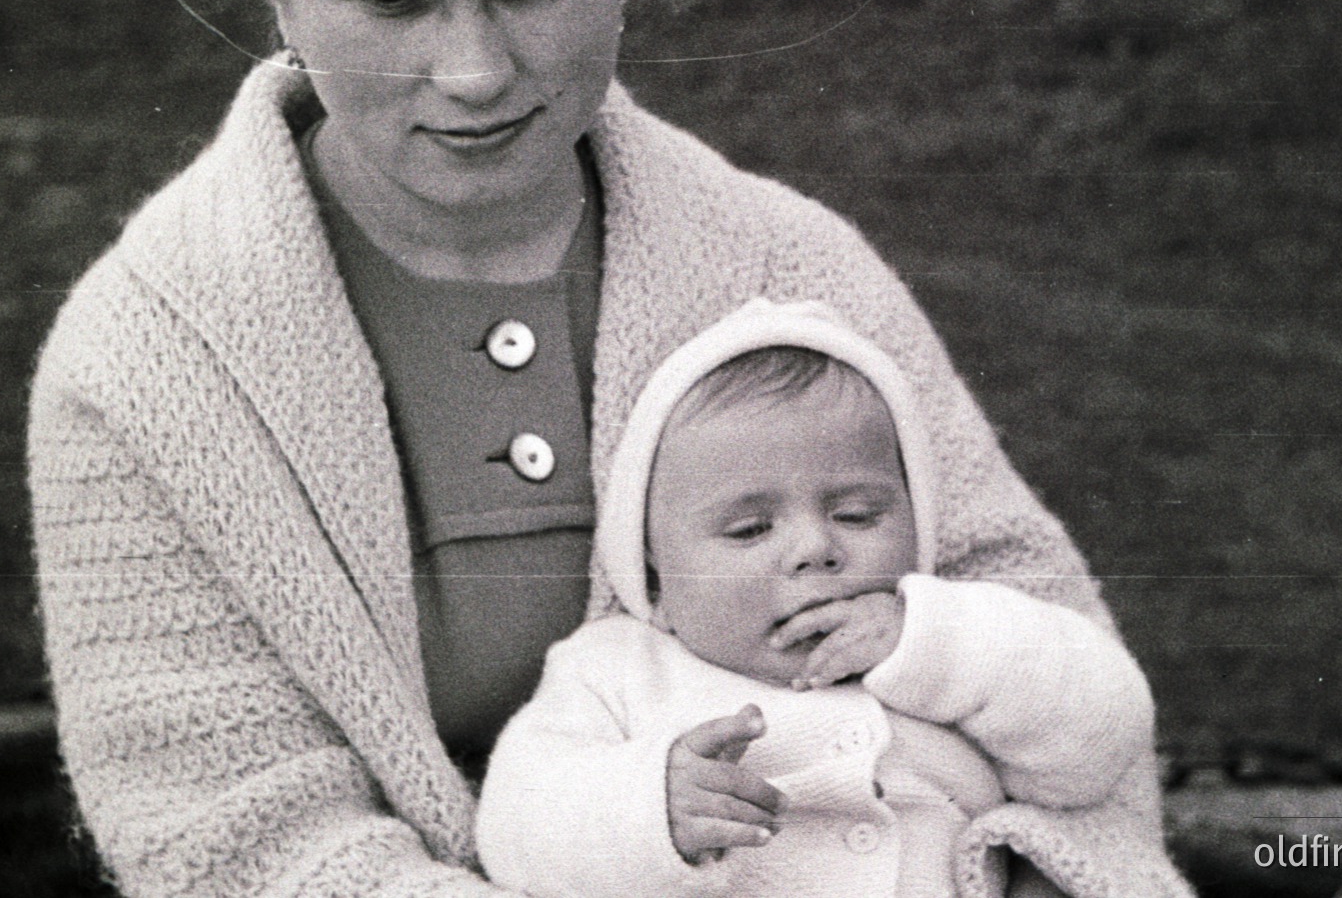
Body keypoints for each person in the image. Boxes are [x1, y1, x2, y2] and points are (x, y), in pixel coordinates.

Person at [25, 0, 1192, 895]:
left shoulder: (786, 267)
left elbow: (1052, 665)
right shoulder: (142, 366)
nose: (474, 70)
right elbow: (232, 839)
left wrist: (1037, 872)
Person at [475, 299, 1157, 898]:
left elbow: (1102, 735)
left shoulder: (953, 642)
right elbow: (513, 823)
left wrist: (932, 642)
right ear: (653, 562)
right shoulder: (616, 669)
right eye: (749, 528)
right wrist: (646, 808)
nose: (814, 549)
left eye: (857, 513)